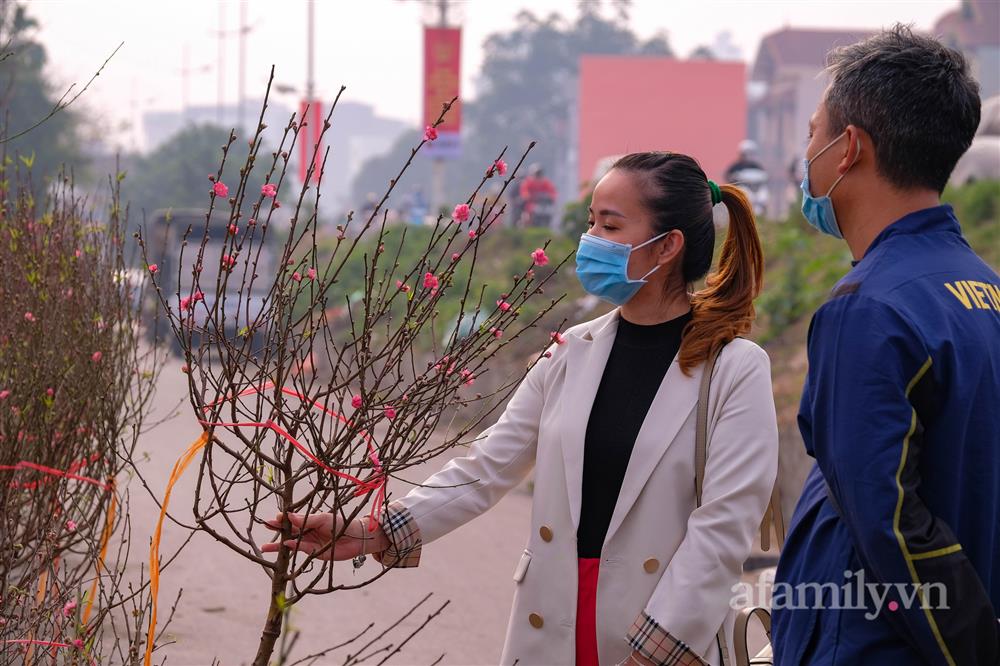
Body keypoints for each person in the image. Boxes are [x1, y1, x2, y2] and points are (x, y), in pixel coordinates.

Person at [264, 152, 779, 666]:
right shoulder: (572, 350)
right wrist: (374, 530)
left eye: (610, 225)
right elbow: (486, 466)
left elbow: (723, 526)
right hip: (552, 622)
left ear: (667, 245)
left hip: (656, 636)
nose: (590, 240)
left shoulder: (733, 370)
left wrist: (657, 651)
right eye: (591, 222)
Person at [771, 25, 1000, 665]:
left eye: (812, 133)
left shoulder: (869, 309)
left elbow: (888, 521)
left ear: (848, 149)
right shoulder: (985, 289)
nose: (806, 152)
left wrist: (972, 650)